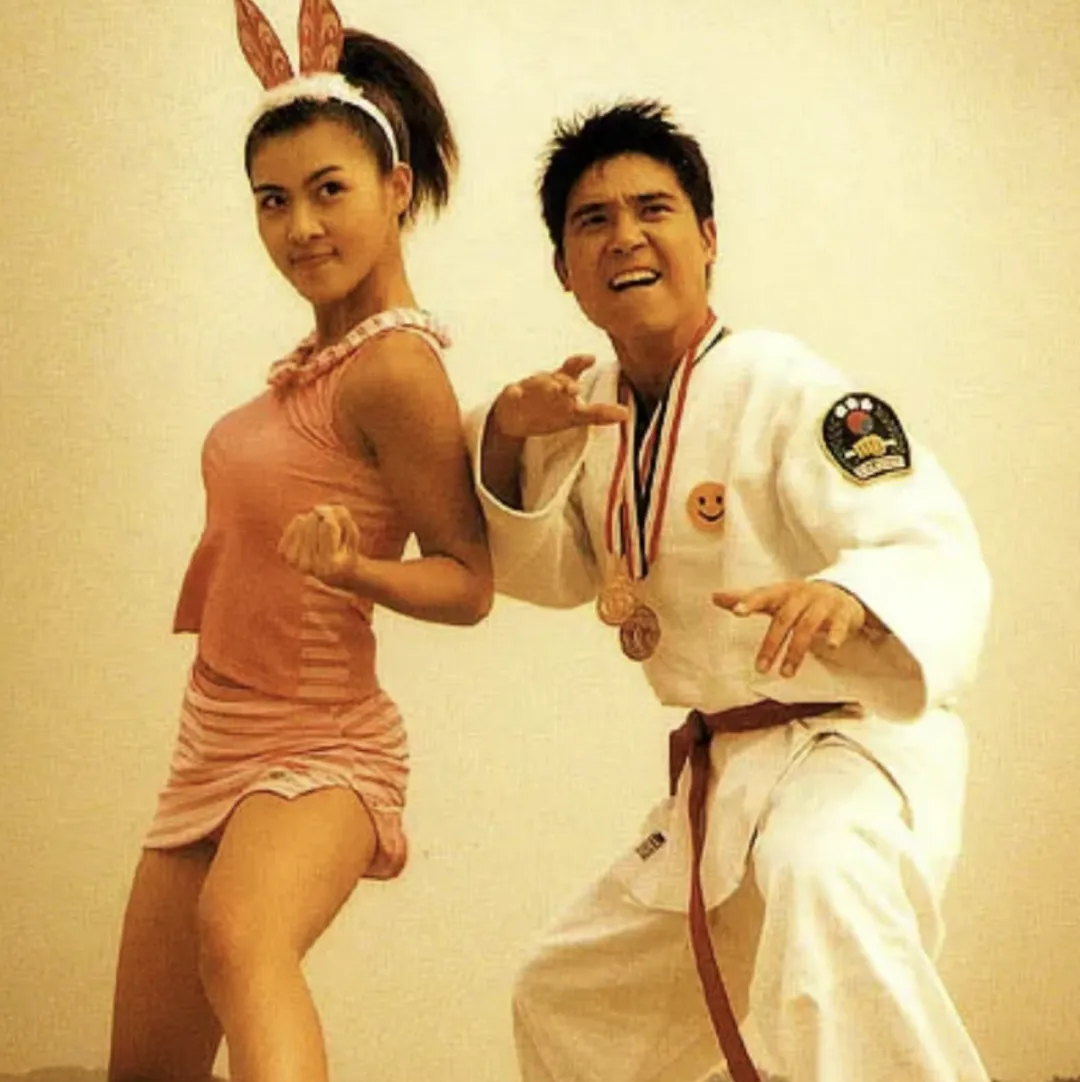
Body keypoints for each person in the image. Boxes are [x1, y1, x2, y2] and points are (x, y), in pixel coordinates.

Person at [473, 100, 992, 1082]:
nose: (626, 236)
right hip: (726, 773)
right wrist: (503, 433)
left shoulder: (787, 384)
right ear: (564, 269)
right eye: (593, 220)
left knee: (822, 875)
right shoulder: (588, 405)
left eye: (653, 209)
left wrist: (854, 594)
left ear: (707, 238)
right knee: (569, 992)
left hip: (847, 744)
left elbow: (926, 535)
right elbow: (554, 565)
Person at [107, 3, 492, 1080]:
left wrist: (357, 568)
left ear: (396, 189)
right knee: (145, 1068)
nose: (300, 227)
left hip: (322, 742)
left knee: (241, 941)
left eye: (329, 190)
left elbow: (470, 583)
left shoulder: (395, 368)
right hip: (212, 732)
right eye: (272, 200)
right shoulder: (318, 365)